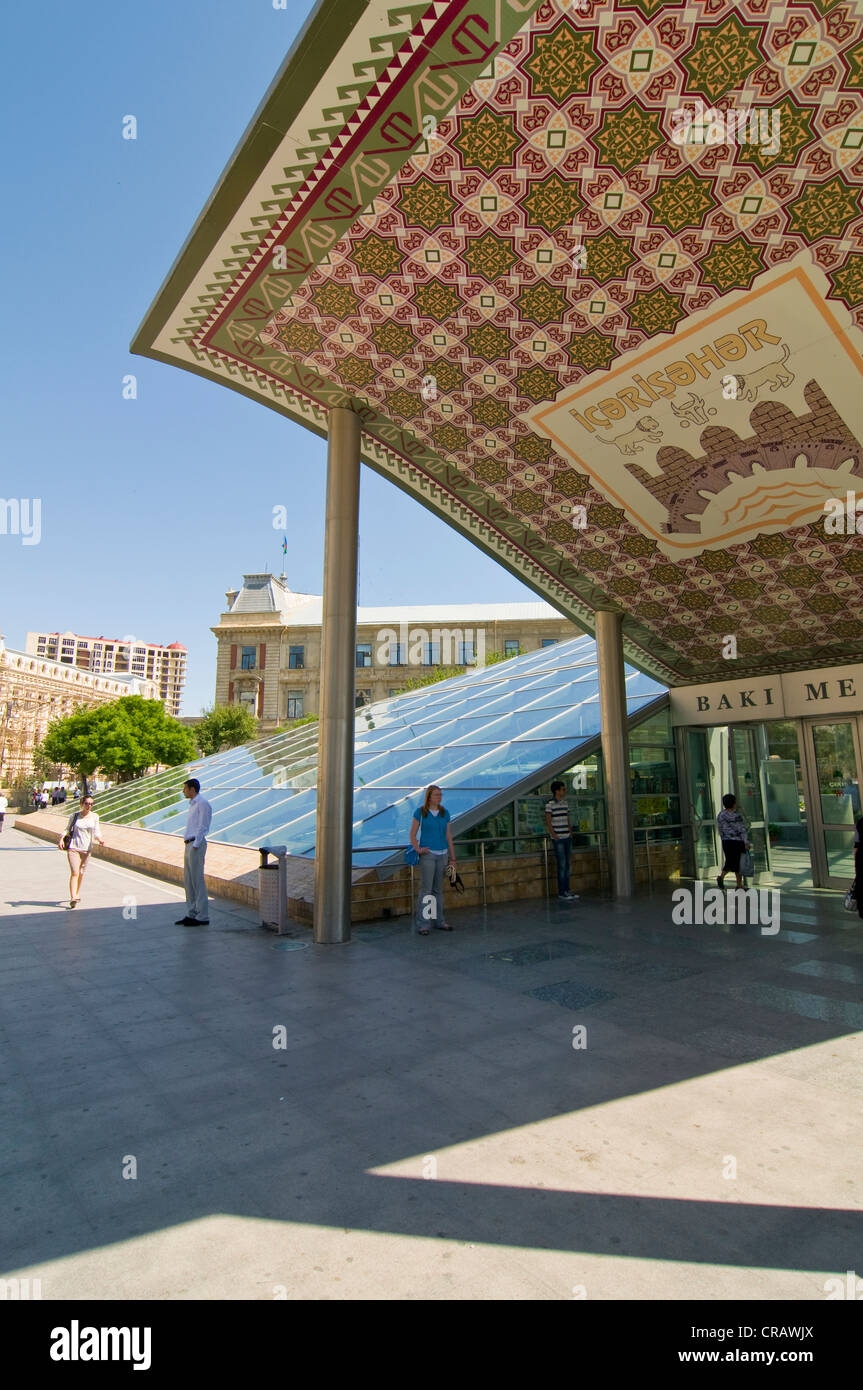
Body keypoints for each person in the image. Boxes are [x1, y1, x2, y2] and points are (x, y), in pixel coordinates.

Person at [409, 784, 456, 934]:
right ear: (429, 797)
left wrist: (453, 857)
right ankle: (423, 924)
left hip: (442, 854)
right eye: (436, 795)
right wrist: (418, 849)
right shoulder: (420, 812)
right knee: (426, 890)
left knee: (438, 890)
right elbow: (412, 834)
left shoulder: (445, 813)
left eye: (440, 795)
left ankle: (440, 921)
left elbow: (448, 835)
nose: (439, 797)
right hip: (428, 855)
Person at [176, 778, 213, 926]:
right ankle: (191, 913)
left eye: (185, 788)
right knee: (188, 881)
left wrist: (196, 844)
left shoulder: (202, 803)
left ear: (192, 789)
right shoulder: (192, 804)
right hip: (189, 844)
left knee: (197, 881)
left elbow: (203, 825)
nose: (183, 791)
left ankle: (202, 916)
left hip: (195, 845)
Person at [58, 795, 105, 908]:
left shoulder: (95, 817)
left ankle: (77, 893)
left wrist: (100, 840)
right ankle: (73, 897)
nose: (89, 806)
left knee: (81, 872)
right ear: (81, 804)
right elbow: (67, 828)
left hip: (87, 849)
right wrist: (61, 839)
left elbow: (97, 831)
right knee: (75, 872)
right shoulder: (75, 816)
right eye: (87, 803)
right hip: (74, 847)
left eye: (91, 804)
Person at [545, 779, 580, 901]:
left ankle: (567, 890)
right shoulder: (550, 805)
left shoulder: (565, 803)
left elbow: (567, 818)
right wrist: (554, 835)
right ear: (557, 791)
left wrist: (570, 832)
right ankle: (562, 891)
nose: (564, 791)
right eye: (563, 789)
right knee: (562, 865)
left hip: (566, 837)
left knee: (567, 865)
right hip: (558, 838)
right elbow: (548, 821)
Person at [716, 792, 751, 889]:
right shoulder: (736, 816)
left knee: (731, 861)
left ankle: (724, 878)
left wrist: (724, 838)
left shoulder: (720, 815)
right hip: (737, 842)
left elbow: (720, 829)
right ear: (733, 803)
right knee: (738, 863)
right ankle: (738, 884)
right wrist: (746, 842)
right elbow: (742, 830)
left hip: (726, 842)